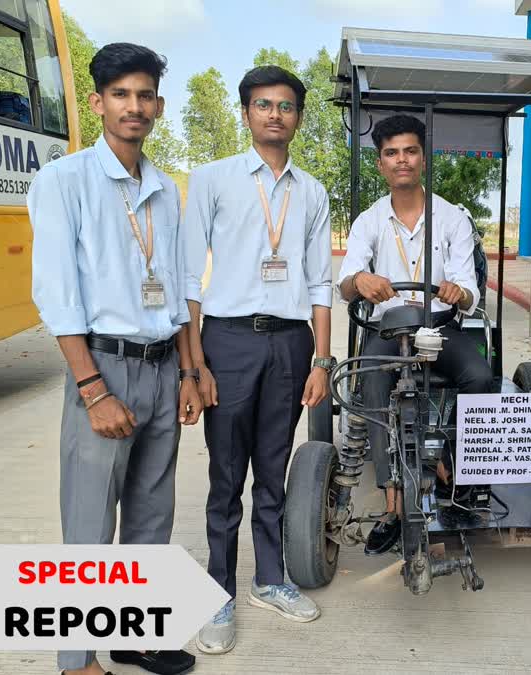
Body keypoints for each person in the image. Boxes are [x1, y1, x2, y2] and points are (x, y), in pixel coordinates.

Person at [29, 43, 200, 675]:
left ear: (158, 104)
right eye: (121, 94)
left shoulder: (162, 190)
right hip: (103, 368)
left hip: (161, 367)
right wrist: (93, 391)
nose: (135, 106)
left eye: (145, 94)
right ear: (99, 103)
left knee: (152, 516)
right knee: (90, 522)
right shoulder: (64, 181)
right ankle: (77, 660)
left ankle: (136, 635)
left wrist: (188, 370)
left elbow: (177, 288)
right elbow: (56, 295)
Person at [185, 65, 334, 654]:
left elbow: (321, 283)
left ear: (298, 116)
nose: (276, 114)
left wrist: (322, 358)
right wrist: (194, 366)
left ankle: (269, 579)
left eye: (287, 106)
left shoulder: (313, 191)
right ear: (246, 113)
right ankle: (218, 592)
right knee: (226, 476)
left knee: (273, 468)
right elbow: (188, 280)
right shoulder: (214, 180)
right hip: (228, 341)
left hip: (290, 343)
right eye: (264, 105)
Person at [338, 114, 493, 555]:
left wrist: (458, 290)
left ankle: (463, 473)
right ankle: (391, 500)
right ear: (381, 162)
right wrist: (361, 282)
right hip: (390, 330)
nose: (401, 160)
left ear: (423, 158)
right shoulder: (369, 220)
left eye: (409, 151)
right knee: (370, 380)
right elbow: (347, 279)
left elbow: (468, 292)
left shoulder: (452, 218)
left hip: (441, 330)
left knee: (479, 377)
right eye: (391, 153)